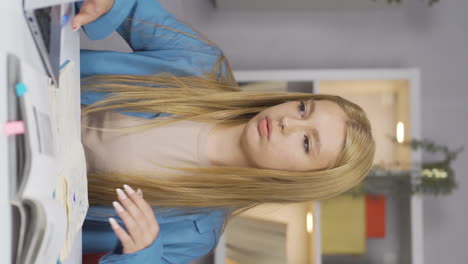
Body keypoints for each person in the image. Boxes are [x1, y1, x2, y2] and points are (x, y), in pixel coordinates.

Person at [73, 0, 376, 263]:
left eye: (307, 142)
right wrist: (110, 5)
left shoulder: (197, 232)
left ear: (301, 180)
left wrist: (143, 252)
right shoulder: (202, 64)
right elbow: (132, 8)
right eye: (302, 109)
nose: (289, 123)